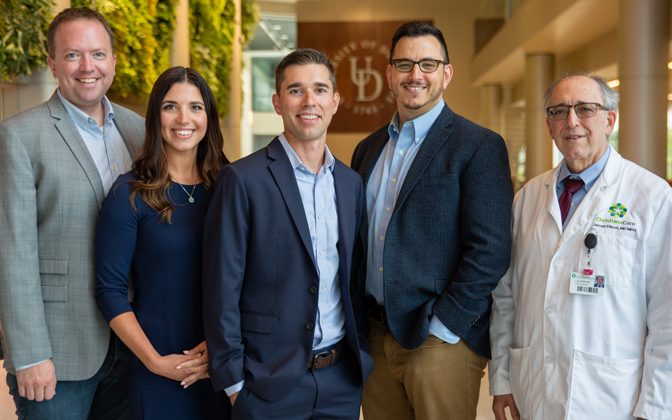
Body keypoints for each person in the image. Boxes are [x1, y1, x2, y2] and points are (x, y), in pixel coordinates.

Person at [350, 21, 514, 420]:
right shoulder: (368, 149)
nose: (415, 75)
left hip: (439, 341)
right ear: (389, 74)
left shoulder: (478, 146)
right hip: (376, 334)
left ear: (447, 73)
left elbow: (491, 249)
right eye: (404, 64)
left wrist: (446, 326)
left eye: (428, 63)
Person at [202, 48, 374, 419]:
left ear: (335, 101)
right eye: (296, 90)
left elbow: (354, 279)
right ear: (278, 102)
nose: (309, 100)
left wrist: (361, 359)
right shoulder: (243, 180)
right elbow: (221, 286)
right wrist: (234, 383)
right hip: (267, 385)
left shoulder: (350, 183)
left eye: (320, 89)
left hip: (340, 382)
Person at [489, 73, 672, 420]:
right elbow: (505, 296)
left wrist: (657, 407)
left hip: (612, 398)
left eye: (585, 109)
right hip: (534, 389)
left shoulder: (651, 197)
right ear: (548, 125)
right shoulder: (527, 198)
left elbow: (668, 314)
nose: (571, 121)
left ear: (610, 120)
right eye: (559, 111)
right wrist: (502, 379)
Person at [0, 7, 144, 419]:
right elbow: (14, 254)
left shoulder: (139, 132)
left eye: (98, 54)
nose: (88, 67)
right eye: (72, 55)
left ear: (113, 61)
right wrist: (28, 355)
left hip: (131, 344)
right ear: (52, 64)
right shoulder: (19, 137)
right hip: (58, 353)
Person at [95, 66, 229, 419]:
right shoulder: (130, 194)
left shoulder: (230, 188)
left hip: (222, 366)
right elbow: (109, 289)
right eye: (171, 106)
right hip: (158, 365)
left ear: (209, 117)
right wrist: (155, 363)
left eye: (196, 107)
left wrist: (220, 350)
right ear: (155, 116)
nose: (184, 118)